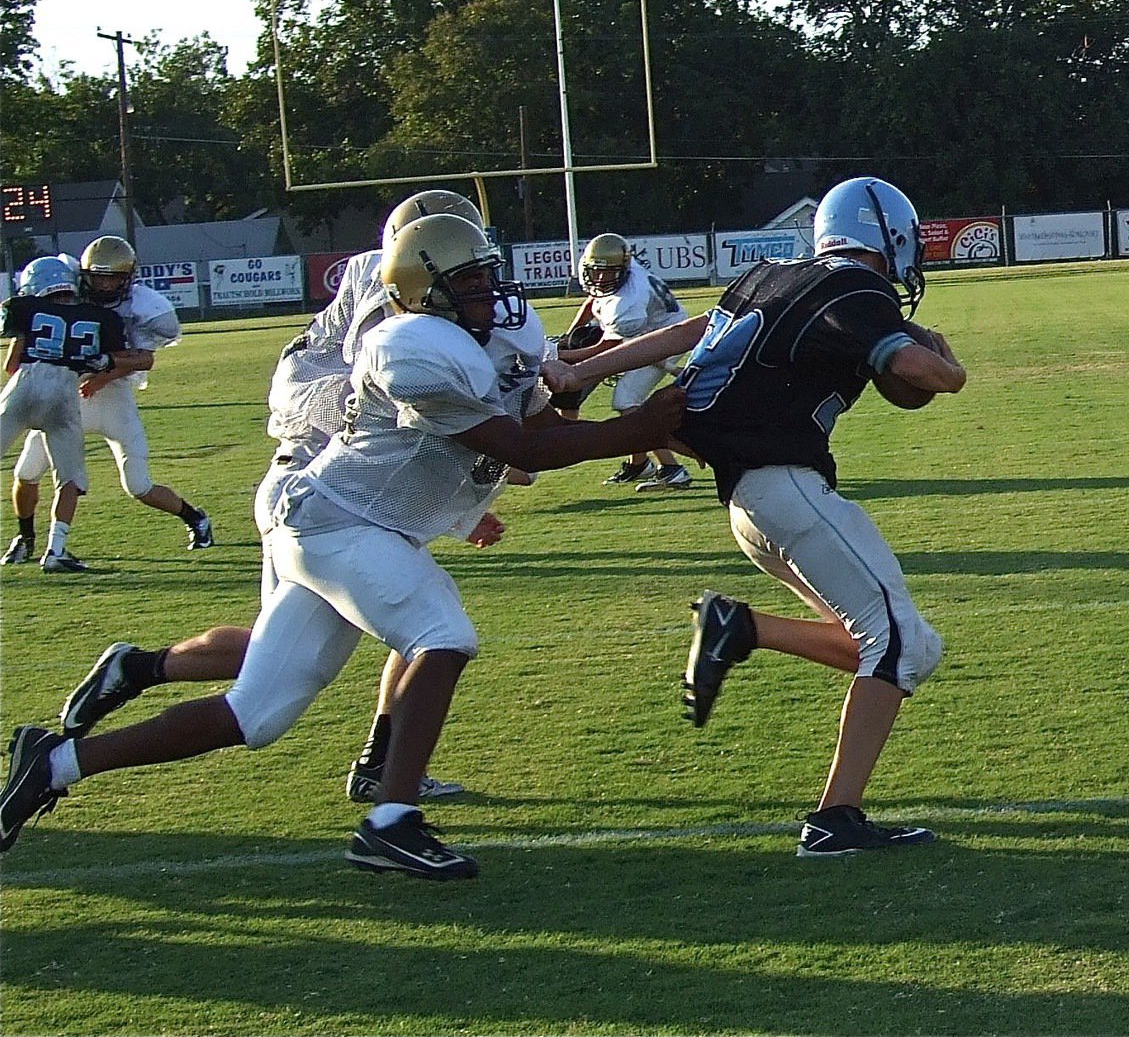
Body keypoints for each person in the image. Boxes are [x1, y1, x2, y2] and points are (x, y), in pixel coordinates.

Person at [0, 213, 684, 880]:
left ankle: (54, 762)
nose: (489, 294)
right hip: (338, 519)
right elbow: (518, 446)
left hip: (351, 522)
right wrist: (641, 426)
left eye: (486, 278)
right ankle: (391, 819)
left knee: (256, 713)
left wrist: (581, 401)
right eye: (470, 283)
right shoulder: (407, 347)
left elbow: (536, 427)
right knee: (442, 634)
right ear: (426, 289)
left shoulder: (491, 337)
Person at [542, 177, 967, 858]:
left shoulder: (772, 274)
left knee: (895, 645)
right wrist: (953, 372)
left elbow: (690, 330)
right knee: (899, 642)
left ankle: (739, 627)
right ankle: (835, 820)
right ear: (888, 236)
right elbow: (912, 363)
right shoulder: (858, 288)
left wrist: (581, 371)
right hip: (787, 487)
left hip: (749, 505)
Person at [55, 190, 509, 802]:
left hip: (333, 487)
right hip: (325, 491)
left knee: (298, 654)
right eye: (466, 265)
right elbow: (389, 419)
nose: (479, 281)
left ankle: (140, 668)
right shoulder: (396, 319)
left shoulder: (390, 295)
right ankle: (384, 777)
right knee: (407, 633)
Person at [2, 236, 212, 565]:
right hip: (67, 395)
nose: (104, 284)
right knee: (27, 472)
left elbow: (144, 359)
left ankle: (195, 518)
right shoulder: (68, 285)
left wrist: (104, 375)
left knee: (138, 485)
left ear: (128, 277)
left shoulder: (143, 307)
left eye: (113, 277)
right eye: (98, 276)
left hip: (113, 399)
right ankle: (26, 539)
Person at [1, 257, 132, 572]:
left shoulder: (23, 307)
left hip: (26, 385)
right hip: (64, 393)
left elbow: (11, 366)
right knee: (69, 479)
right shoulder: (101, 318)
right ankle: (55, 550)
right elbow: (113, 358)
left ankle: (30, 542)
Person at [555, 233, 692, 492]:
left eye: (606, 273)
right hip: (649, 332)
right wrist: (569, 335)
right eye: (595, 272)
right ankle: (639, 463)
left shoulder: (628, 301)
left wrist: (560, 356)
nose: (599, 278)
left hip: (668, 337)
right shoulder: (618, 273)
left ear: (622, 270)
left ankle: (673, 469)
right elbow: (593, 300)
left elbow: (609, 348)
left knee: (626, 399)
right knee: (627, 399)